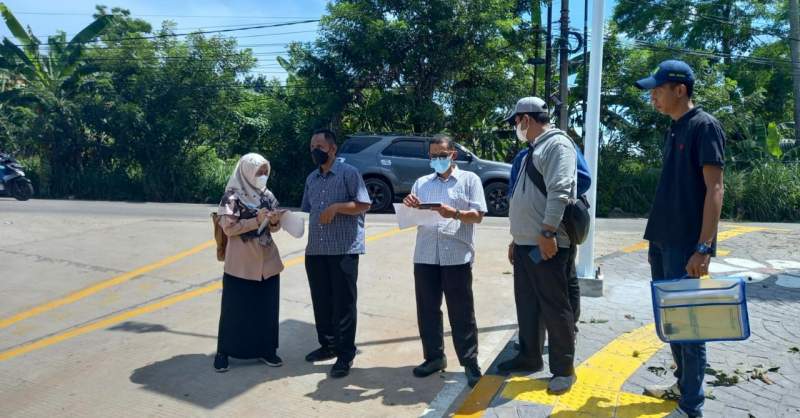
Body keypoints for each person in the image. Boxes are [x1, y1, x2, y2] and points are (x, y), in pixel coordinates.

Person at [635, 60, 725, 418]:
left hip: (685, 244)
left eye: (657, 90)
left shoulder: (705, 126)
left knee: (690, 325)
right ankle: (682, 385)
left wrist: (703, 248)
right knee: (672, 321)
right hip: (662, 240)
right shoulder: (675, 128)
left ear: (680, 90)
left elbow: (715, 189)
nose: (652, 96)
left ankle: (691, 407)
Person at [499, 96, 578, 395]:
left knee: (555, 306)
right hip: (526, 243)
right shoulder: (533, 149)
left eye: (516, 121)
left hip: (546, 243)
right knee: (528, 303)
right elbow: (526, 198)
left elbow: (559, 192)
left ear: (526, 120)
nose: (516, 127)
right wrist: (516, 238)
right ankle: (529, 356)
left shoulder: (557, 146)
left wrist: (547, 233)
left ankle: (563, 370)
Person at [402, 134, 488, 388]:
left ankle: (470, 362)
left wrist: (456, 213)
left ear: (453, 155)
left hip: (456, 256)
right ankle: (434, 357)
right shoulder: (422, 183)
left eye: (442, 155)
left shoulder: (469, 180)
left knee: (461, 312)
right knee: (427, 309)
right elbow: (411, 216)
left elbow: (478, 216)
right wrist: (409, 205)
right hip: (425, 254)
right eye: (433, 156)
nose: (437, 159)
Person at [301, 128, 372, 378]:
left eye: (319, 146)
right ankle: (327, 345)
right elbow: (307, 209)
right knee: (321, 301)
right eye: (312, 147)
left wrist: (338, 207)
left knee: (343, 304)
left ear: (332, 148)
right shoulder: (311, 178)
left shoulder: (348, 173)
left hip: (343, 249)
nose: (314, 151)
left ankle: (345, 355)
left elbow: (363, 204)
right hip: (316, 249)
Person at [214, 153, 285, 372]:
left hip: (267, 263)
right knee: (235, 311)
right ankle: (224, 352)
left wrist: (274, 221)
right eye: (259, 172)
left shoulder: (268, 194)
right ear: (246, 171)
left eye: (265, 172)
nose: (263, 176)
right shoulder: (231, 197)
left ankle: (267, 350)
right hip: (241, 264)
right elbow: (228, 228)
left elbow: (275, 227)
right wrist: (256, 220)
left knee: (266, 310)